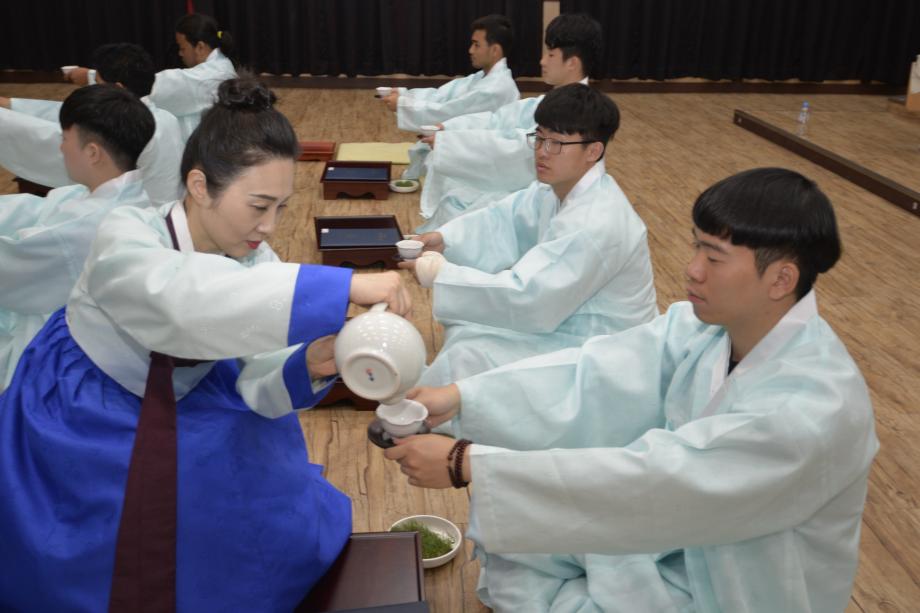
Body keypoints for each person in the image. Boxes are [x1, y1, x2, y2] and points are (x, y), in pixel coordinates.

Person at [0, 78, 413, 611]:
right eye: (258, 205)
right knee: (111, 548)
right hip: (91, 406)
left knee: (258, 493)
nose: (270, 226)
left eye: (281, 207)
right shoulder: (126, 233)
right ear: (199, 186)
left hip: (190, 391)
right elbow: (179, 303)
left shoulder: (253, 257)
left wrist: (309, 362)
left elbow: (253, 370)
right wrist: (345, 285)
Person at [386, 168, 879, 612]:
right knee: (516, 544)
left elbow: (669, 480)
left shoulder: (811, 409)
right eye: (696, 247)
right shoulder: (707, 328)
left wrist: (467, 462)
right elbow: (597, 371)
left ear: (781, 279)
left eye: (714, 257)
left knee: (531, 542)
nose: (692, 269)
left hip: (742, 583)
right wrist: (462, 397)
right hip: (676, 532)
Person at [400, 84, 656, 389]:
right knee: (468, 326)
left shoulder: (596, 221)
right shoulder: (557, 189)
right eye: (540, 138)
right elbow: (504, 220)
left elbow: (531, 297)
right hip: (567, 318)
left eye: (556, 143)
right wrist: (445, 239)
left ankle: (421, 408)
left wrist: (440, 273)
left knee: (469, 354)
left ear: (593, 151)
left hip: (604, 346)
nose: (542, 151)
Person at [0, 84, 155, 391]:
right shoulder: (125, 194)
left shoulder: (88, 225)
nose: (60, 148)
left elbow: (13, 267)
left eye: (65, 139)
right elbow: (32, 210)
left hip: (60, 350)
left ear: (93, 152)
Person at [416, 13, 602, 231]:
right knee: (454, 198)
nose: (542, 61)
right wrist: (449, 129)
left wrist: (450, 143)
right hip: (532, 186)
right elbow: (500, 120)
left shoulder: (576, 111)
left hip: (543, 197)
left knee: (461, 213)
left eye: (550, 54)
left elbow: (518, 148)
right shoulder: (554, 100)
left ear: (572, 63)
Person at [0, 43, 184, 205]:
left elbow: (48, 135)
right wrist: (9, 104)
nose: (93, 89)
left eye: (97, 83)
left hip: (145, 214)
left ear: (117, 89)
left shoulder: (122, 129)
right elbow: (73, 115)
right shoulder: (165, 117)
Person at [66, 13, 237, 140]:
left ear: (200, 47)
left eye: (182, 47)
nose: (180, 53)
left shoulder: (209, 77)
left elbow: (146, 85)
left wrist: (92, 76)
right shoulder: (221, 66)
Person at [389, 14, 519, 179]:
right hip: (473, 141)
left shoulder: (496, 88)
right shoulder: (482, 77)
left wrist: (403, 104)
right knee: (428, 151)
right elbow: (442, 96)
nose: (470, 50)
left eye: (476, 45)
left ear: (494, 50)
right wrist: (403, 95)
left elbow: (449, 112)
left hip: (488, 154)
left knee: (436, 162)